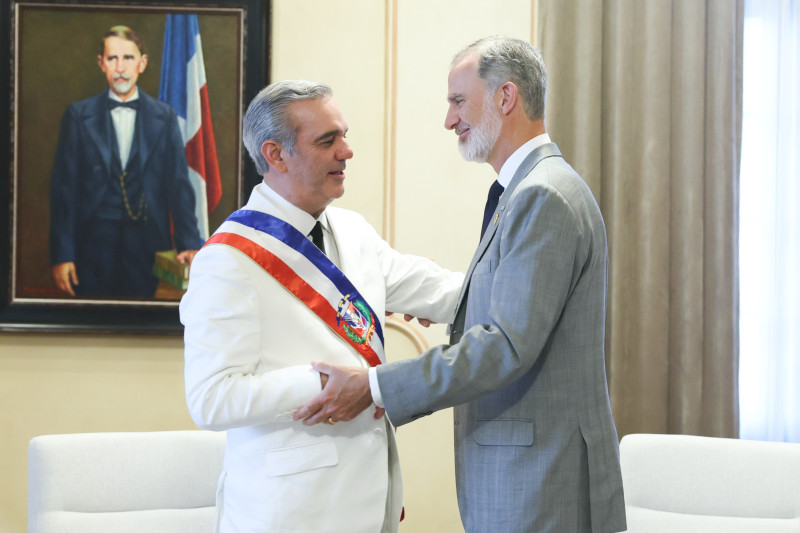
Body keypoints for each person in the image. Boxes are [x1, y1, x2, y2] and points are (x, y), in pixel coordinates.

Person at [294, 36, 628, 533]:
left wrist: (377, 387)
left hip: (542, 480)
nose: (449, 120)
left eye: (457, 101)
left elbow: (507, 346)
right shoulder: (528, 189)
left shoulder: (542, 197)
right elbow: (523, 311)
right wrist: (463, 306)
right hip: (528, 474)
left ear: (505, 98)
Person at [180, 80, 463, 533]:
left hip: (370, 502)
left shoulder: (352, 230)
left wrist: (529, 285)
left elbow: (442, 292)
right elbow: (211, 400)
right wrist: (326, 383)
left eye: (345, 135)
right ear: (275, 155)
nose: (347, 151)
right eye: (327, 140)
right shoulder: (227, 259)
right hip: (290, 513)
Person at [49, 25, 201, 299]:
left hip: (148, 245)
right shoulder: (77, 116)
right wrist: (63, 254)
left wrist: (189, 242)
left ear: (142, 64)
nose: (120, 67)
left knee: (141, 323)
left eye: (128, 58)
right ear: (101, 64)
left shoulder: (164, 117)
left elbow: (178, 185)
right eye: (112, 58)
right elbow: (64, 193)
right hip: (91, 246)